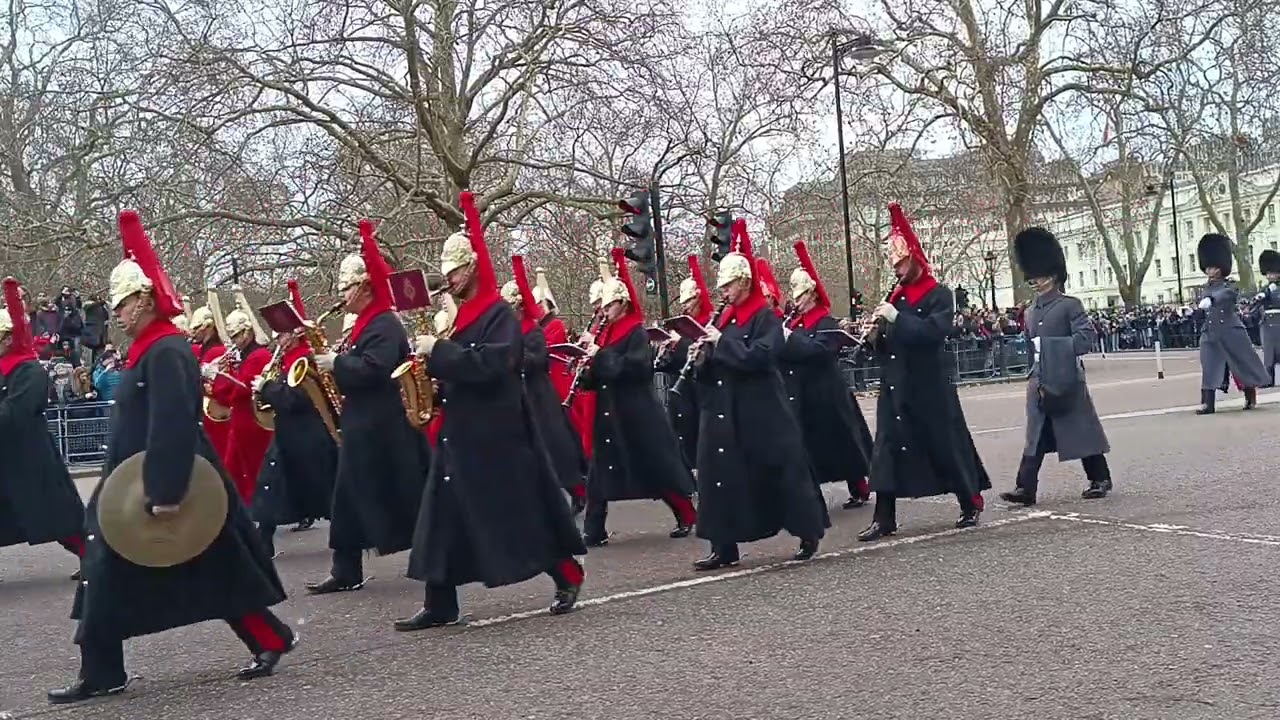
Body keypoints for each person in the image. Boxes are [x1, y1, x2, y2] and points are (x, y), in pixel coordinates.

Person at [50, 211, 293, 705]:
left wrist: (165, 489)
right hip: (132, 482)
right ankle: (102, 669)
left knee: (219, 570)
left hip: (165, 482)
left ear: (144, 299)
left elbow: (172, 423)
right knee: (107, 573)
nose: (117, 314)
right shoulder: (151, 347)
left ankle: (269, 636)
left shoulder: (166, 350)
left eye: (122, 304)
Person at [398, 191, 585, 629]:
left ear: (472, 268)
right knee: (440, 517)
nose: (450, 279)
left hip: (496, 434)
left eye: (456, 270)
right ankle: (440, 601)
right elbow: (462, 369)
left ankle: (567, 572)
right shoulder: (462, 317)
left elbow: (492, 364)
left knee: (519, 513)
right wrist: (432, 385)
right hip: (459, 431)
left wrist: (439, 351)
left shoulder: (499, 315)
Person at [691, 219, 827, 570]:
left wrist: (722, 344)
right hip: (723, 407)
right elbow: (717, 362)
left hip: (760, 409)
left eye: (729, 285)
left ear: (745, 282)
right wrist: (701, 357)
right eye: (721, 286)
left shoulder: (764, 317)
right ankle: (723, 544)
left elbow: (762, 356)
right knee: (719, 473)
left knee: (779, 472)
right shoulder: (723, 318)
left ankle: (806, 531)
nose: (723, 292)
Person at [304, 220, 430, 595]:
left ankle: (434, 558)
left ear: (364, 287)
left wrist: (336, 364)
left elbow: (376, 369)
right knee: (347, 499)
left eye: (346, 288)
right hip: (362, 423)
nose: (341, 295)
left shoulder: (385, 323)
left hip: (384, 426)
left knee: (405, 498)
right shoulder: (363, 323)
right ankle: (346, 569)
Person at [857, 203, 990, 542]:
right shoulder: (897, 297)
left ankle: (969, 501)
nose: (897, 270)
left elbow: (933, 332)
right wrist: (874, 337)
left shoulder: (939, 294)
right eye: (894, 265)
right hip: (896, 383)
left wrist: (897, 318)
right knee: (886, 449)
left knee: (945, 445)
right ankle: (883, 517)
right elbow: (890, 344)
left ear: (915, 259)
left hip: (929, 384)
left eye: (901, 263)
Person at [579, 248, 696, 546]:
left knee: (655, 467)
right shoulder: (605, 333)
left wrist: (600, 356)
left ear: (622, 303)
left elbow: (636, 368)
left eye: (610, 305)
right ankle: (593, 529)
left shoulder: (635, 333)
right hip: (609, 413)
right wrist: (584, 370)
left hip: (636, 413)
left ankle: (686, 513)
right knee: (598, 474)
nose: (605, 311)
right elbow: (600, 374)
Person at [999, 228, 1112, 505]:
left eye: (1038, 275)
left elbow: (1085, 339)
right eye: (1032, 276)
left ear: (1052, 274)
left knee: (1080, 429)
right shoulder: (1030, 311)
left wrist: (1051, 348)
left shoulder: (1070, 305)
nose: (1034, 281)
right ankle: (1025, 488)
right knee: (1035, 433)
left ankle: (1099, 478)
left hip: (1066, 378)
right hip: (1039, 378)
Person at [0, 277, 87, 575]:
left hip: (31, 457)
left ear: (8, 339)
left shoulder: (28, 370)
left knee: (60, 518)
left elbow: (17, 412)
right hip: (6, 457)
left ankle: (92, 558)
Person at [780, 240, 873, 509]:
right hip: (802, 391)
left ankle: (859, 486)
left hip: (827, 392)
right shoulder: (795, 323)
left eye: (801, 296)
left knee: (843, 441)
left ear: (811, 294)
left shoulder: (825, 321)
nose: (797, 302)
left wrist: (790, 339)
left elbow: (820, 350)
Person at [251, 280, 337, 556]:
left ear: (295, 334)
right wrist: (264, 392)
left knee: (329, 495)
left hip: (309, 436)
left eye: (281, 335)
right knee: (269, 486)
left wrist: (267, 388)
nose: (277, 341)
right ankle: (263, 543)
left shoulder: (305, 359)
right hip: (288, 435)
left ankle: (348, 550)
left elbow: (296, 398)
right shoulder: (285, 360)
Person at [500, 259, 587, 501]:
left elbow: (537, 360)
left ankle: (578, 491)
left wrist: (514, 355)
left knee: (555, 447)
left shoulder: (533, 330)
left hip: (540, 396)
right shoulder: (510, 331)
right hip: (520, 396)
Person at [203, 294, 273, 504]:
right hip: (240, 423)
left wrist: (222, 376)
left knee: (252, 473)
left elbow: (239, 391)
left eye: (237, 336)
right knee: (233, 471)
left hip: (254, 424)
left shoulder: (259, 356)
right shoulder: (244, 356)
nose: (234, 342)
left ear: (248, 331)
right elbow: (229, 394)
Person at [1193, 233, 1270, 414]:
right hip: (1210, 332)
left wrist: (1212, 299)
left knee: (1241, 365)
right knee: (1209, 366)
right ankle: (1208, 403)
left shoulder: (1230, 285)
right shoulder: (1206, 287)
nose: (1210, 271)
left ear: (1221, 267)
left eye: (1213, 267)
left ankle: (1250, 396)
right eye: (1208, 267)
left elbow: (1226, 295)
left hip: (1230, 330)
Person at [653, 255, 713, 469]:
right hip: (683, 394)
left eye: (688, 301)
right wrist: (665, 353)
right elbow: (675, 363)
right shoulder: (685, 323)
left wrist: (680, 344)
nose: (686, 306)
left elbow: (704, 355)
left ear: (698, 298)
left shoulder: (710, 321)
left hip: (701, 393)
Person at [188, 303, 232, 466]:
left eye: (197, 328)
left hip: (216, 412)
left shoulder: (217, 351)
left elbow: (219, 384)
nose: (194, 332)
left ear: (207, 327)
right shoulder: (205, 350)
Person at [1254, 250, 1280, 386]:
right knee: (1269, 353)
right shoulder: (1265, 289)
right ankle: (1268, 379)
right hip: (1267, 323)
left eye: (1273, 273)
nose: (1270, 276)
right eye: (1268, 273)